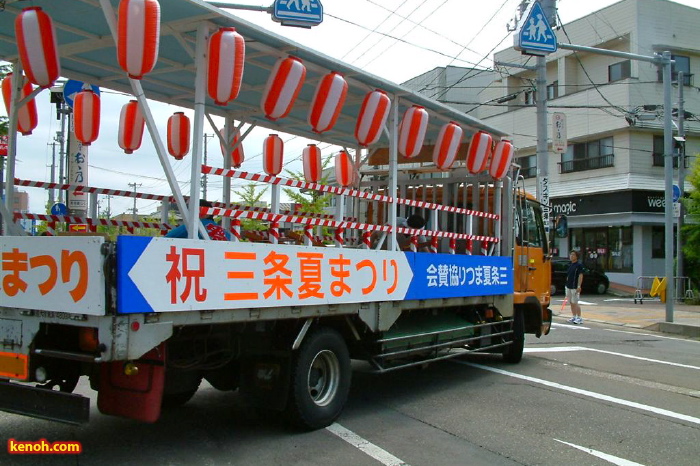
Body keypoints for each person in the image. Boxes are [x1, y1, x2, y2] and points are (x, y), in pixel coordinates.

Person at [566, 250, 584, 324]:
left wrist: (579, 286)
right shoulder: (570, 265)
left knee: (575, 302)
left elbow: (580, 275)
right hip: (568, 286)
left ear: (576, 256)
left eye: (573, 255)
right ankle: (574, 316)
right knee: (571, 302)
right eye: (571, 254)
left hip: (575, 287)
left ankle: (579, 317)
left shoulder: (579, 265)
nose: (571, 256)